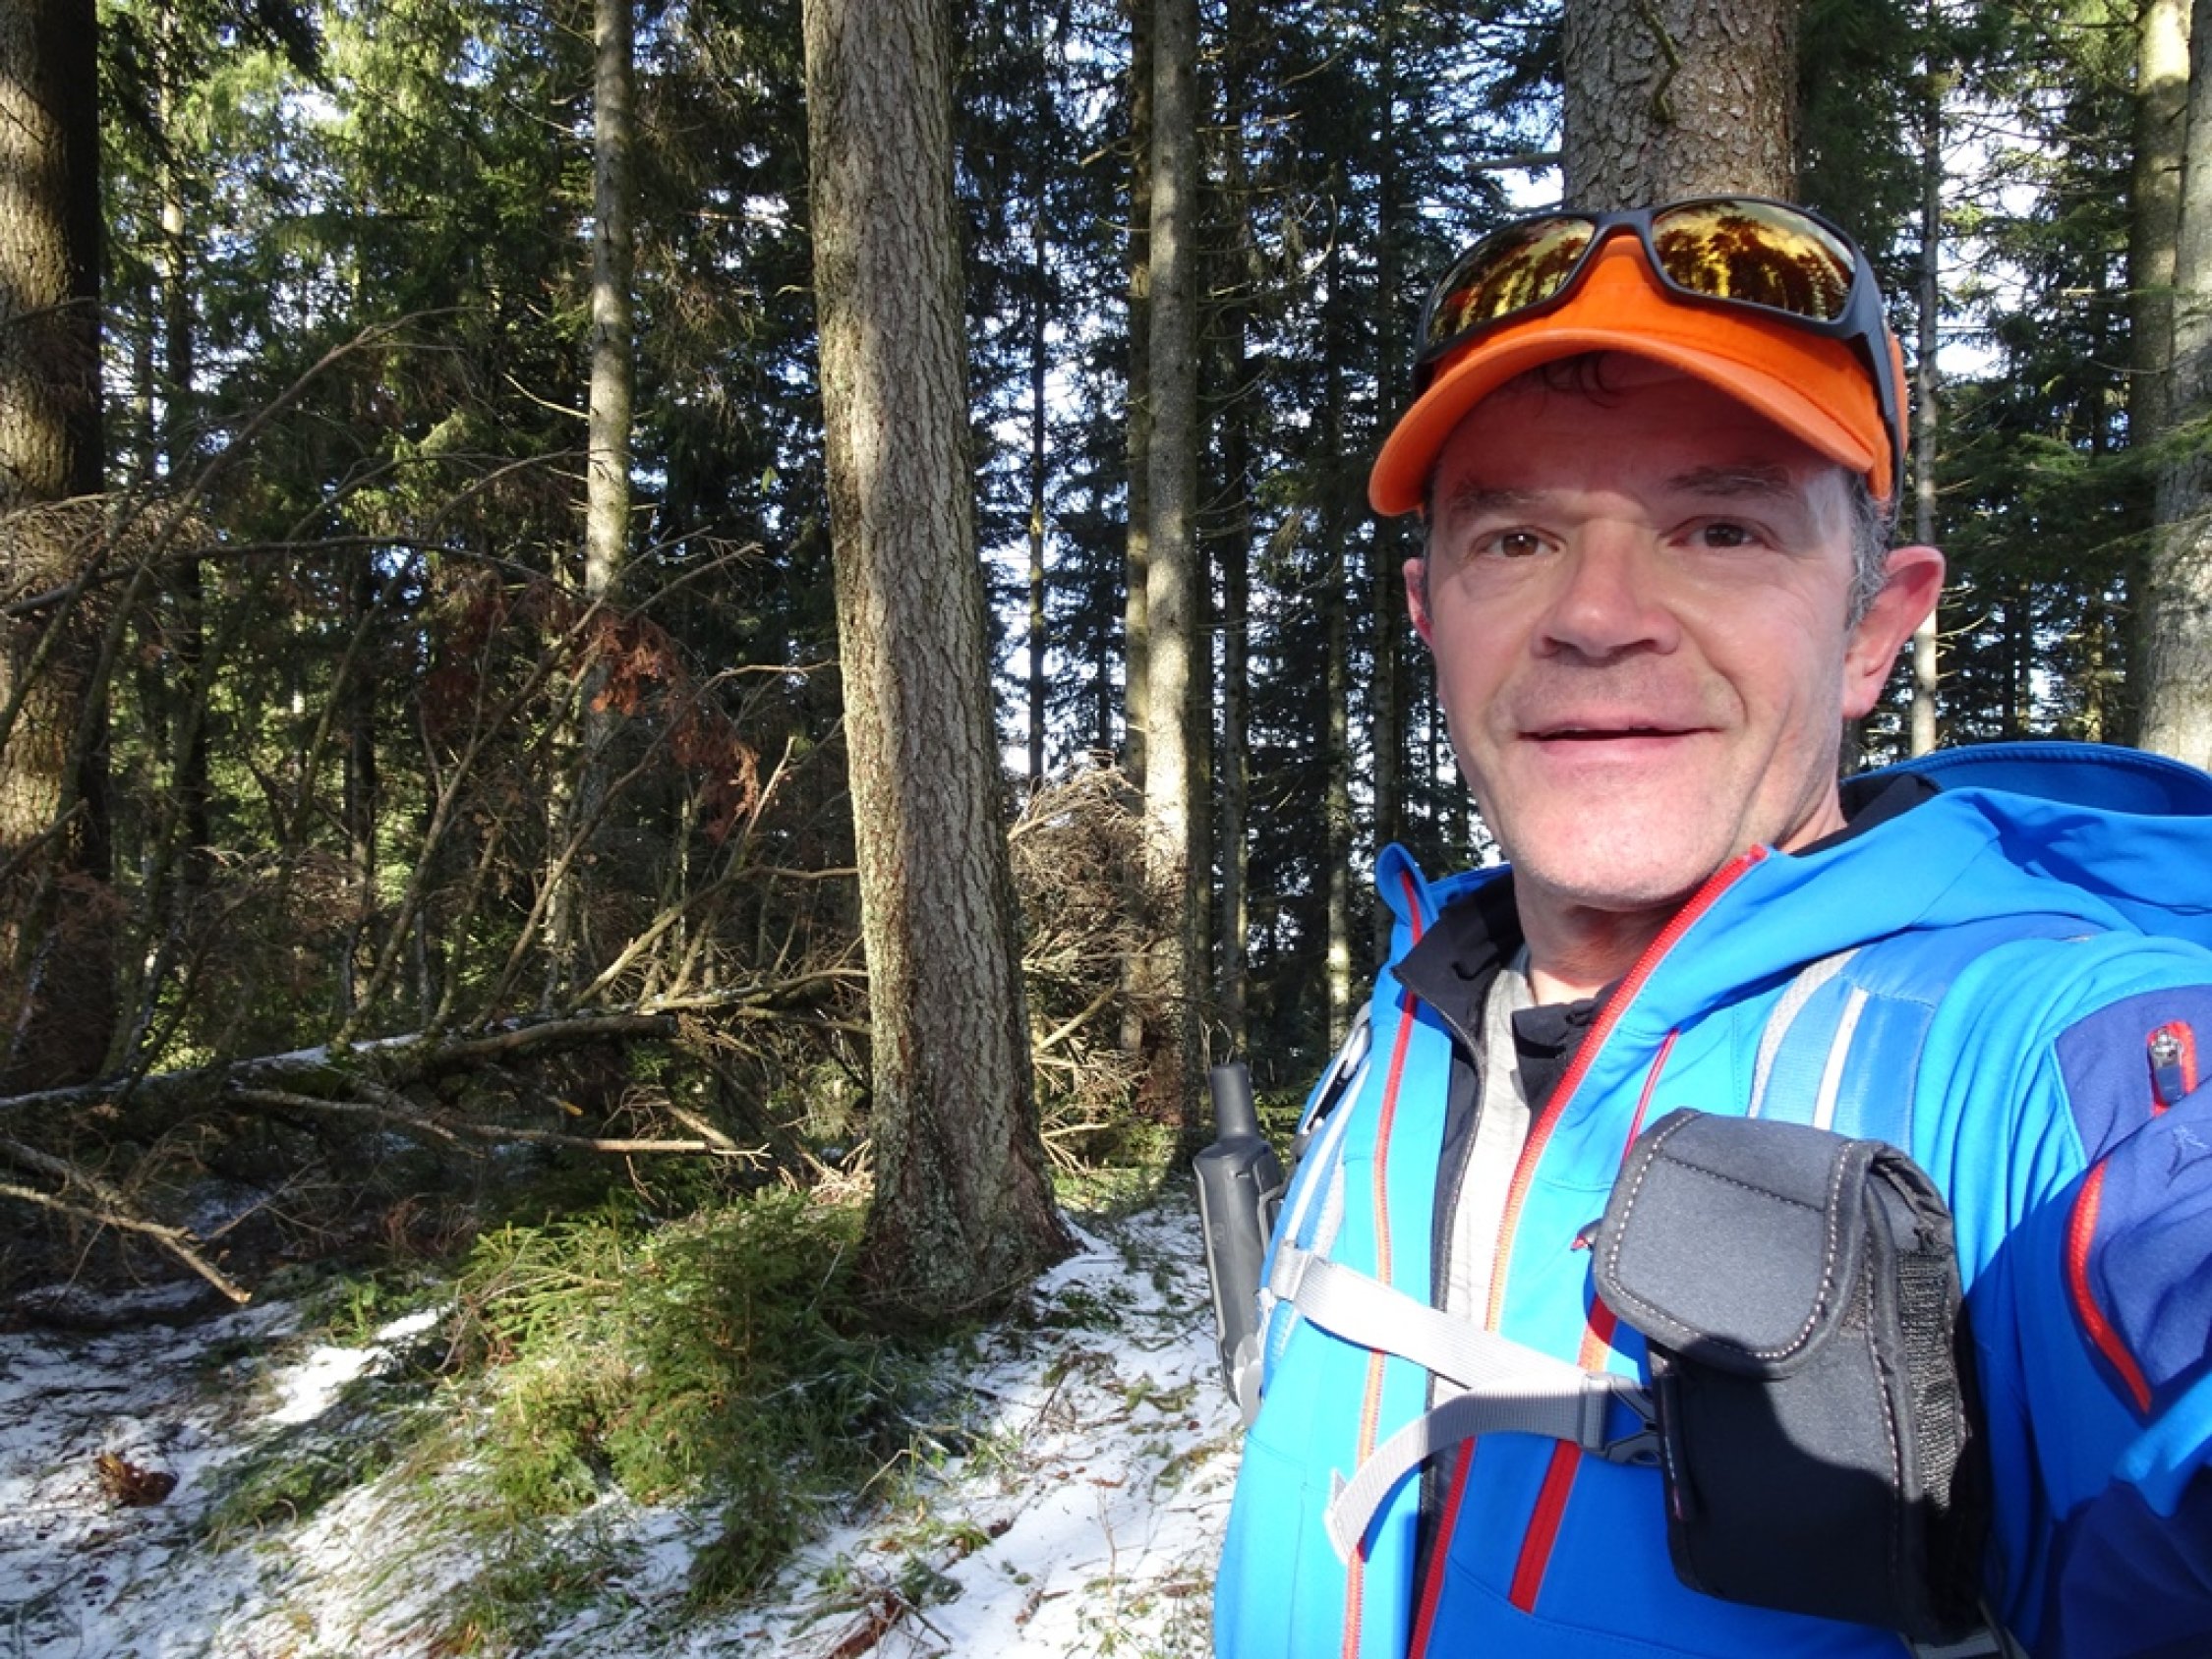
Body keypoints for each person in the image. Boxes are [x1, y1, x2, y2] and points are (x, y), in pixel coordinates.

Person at [1212, 198, 2212, 1657]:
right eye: (1516, 537)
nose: (1597, 615)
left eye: (1722, 529)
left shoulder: (2062, 1057)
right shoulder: (1419, 1009)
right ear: (1433, 615)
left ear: (1874, 629)